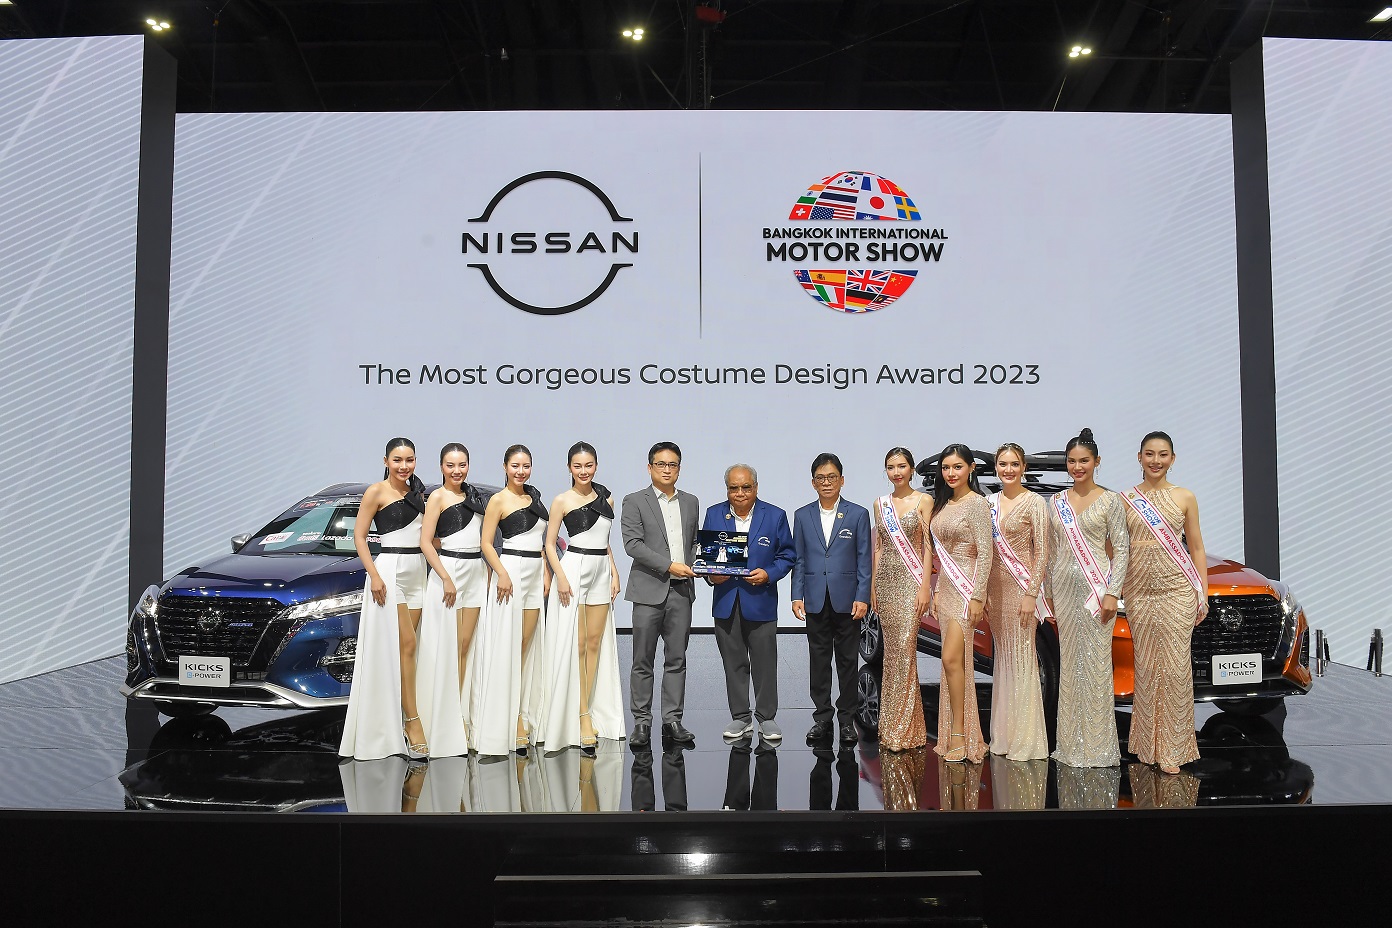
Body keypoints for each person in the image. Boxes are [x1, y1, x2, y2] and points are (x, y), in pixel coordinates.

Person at [1121, 430, 1208, 775]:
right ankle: (1147, 745)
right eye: (1149, 454)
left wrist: (1202, 592)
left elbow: (1196, 547)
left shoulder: (1185, 496)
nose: (1155, 461)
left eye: (1162, 454)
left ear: (1173, 458)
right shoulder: (1126, 499)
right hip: (1139, 592)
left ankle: (1173, 747)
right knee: (1146, 666)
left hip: (1177, 589)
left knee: (1174, 668)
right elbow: (1117, 548)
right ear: (1139, 457)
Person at [339, 438, 429, 761]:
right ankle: (412, 723)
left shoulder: (419, 495)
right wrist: (374, 575)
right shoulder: (376, 492)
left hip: (418, 572)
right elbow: (359, 536)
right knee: (407, 644)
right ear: (386, 461)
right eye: (398, 460)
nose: (404, 466)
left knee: (408, 651)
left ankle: (400, 716)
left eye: (410, 460)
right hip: (390, 571)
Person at [1044, 428, 1130, 768]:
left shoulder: (1111, 501)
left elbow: (1121, 550)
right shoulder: (1056, 502)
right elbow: (1051, 552)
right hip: (1064, 590)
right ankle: (1070, 744)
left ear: (1097, 462)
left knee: (1095, 664)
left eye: (1084, 461)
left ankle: (1096, 745)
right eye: (1072, 461)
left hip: (1097, 594)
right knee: (1070, 664)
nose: (1077, 467)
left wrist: (1112, 592)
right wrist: (1048, 593)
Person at [541, 442, 624, 754]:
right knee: (576, 645)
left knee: (594, 643)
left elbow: (605, 541)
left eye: (588, 465)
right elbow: (550, 543)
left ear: (596, 466)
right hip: (574, 569)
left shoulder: (607, 499)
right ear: (569, 468)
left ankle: (587, 708)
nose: (583, 471)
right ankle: (580, 715)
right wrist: (561, 577)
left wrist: (614, 572)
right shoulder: (562, 500)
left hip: (601, 569)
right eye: (577, 466)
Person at [704, 464, 796, 745]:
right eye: (734, 488)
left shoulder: (775, 515)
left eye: (746, 487)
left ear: (756, 487)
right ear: (727, 489)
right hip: (726, 602)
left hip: (761, 601)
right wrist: (711, 576)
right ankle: (740, 717)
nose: (740, 493)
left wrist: (769, 574)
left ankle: (767, 717)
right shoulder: (713, 514)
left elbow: (787, 555)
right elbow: (707, 557)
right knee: (733, 663)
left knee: (765, 664)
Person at [471, 445, 550, 756]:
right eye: (515, 465)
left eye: (526, 465)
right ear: (505, 467)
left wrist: (546, 570)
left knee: (527, 646)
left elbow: (541, 542)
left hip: (534, 573)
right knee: (510, 646)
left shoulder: (535, 499)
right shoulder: (498, 501)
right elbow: (486, 543)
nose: (521, 471)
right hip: (511, 572)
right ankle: (512, 718)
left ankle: (523, 711)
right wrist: (502, 573)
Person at [621, 441, 700, 750]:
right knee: (642, 660)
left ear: (679, 468)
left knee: (677, 659)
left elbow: (694, 543)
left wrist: (700, 564)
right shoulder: (634, 501)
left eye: (673, 465)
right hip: (648, 591)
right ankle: (641, 722)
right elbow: (633, 545)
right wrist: (669, 566)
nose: (667, 470)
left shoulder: (691, 501)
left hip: (681, 592)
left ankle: (673, 720)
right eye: (661, 464)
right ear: (650, 467)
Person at [791, 452, 872, 747]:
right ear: (813, 482)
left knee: (848, 661)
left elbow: (864, 559)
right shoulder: (802, 515)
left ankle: (847, 719)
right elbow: (799, 559)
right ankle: (822, 717)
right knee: (819, 659)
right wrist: (796, 595)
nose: (826, 482)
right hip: (814, 598)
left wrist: (863, 596)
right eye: (821, 478)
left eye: (832, 477)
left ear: (842, 480)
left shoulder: (857, 514)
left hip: (847, 600)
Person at [416, 443, 489, 758]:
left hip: (475, 572)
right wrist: (445, 577)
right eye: (450, 465)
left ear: (468, 465)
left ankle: (459, 713)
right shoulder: (437, 497)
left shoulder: (475, 497)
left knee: (465, 646)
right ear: (441, 467)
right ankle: (443, 718)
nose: (456, 471)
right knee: (445, 647)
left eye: (462, 465)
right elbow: (425, 542)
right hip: (449, 571)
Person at [983, 442, 1051, 761]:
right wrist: (983, 592)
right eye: (1003, 464)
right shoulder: (988, 504)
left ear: (1023, 468)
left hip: (1023, 592)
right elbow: (984, 552)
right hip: (996, 594)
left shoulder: (1034, 503)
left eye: (1014, 464)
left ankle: (1026, 740)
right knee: (1004, 662)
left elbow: (1043, 552)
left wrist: (1031, 594)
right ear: (996, 467)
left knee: (1023, 661)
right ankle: (1004, 736)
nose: (1008, 470)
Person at [928, 443, 993, 765]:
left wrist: (978, 595)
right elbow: (941, 555)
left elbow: (986, 553)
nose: (951, 473)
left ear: (971, 468)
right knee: (953, 664)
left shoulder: (977, 504)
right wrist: (938, 591)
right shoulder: (944, 503)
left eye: (957, 467)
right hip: (947, 590)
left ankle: (959, 734)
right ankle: (958, 731)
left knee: (952, 659)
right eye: (946, 468)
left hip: (967, 590)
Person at [871, 447, 933, 753]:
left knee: (906, 652)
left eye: (901, 466)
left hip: (911, 583)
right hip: (885, 582)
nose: (896, 472)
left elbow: (928, 547)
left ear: (911, 469)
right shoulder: (880, 504)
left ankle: (905, 729)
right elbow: (879, 547)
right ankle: (892, 726)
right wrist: (873, 587)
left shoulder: (924, 501)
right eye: (891, 467)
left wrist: (925, 587)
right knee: (891, 655)